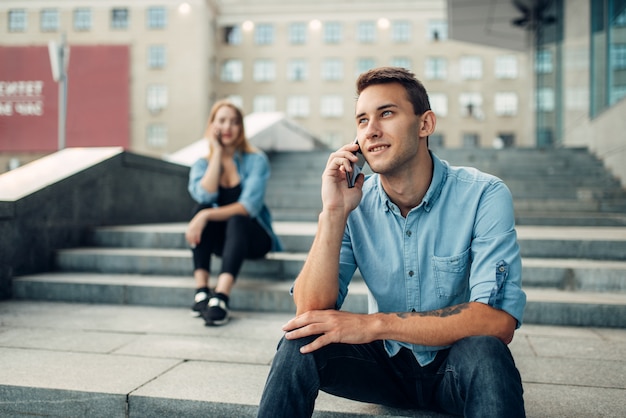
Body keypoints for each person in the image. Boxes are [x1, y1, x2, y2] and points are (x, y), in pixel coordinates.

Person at [257, 67, 526, 417]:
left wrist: (375, 324)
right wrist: (334, 212)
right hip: (385, 368)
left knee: (487, 353)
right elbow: (309, 312)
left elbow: (497, 322)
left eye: (386, 114)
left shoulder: (484, 195)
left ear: (425, 124)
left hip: (455, 367)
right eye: (362, 120)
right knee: (301, 341)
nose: (371, 130)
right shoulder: (355, 202)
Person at [185, 100, 282, 326]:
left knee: (234, 217)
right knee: (201, 208)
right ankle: (201, 291)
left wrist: (205, 216)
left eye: (234, 122)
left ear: (241, 128)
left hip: (254, 238)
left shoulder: (256, 160)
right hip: (223, 242)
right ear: (212, 126)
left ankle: (221, 296)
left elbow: (248, 206)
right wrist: (217, 153)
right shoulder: (201, 164)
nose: (228, 127)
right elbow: (204, 197)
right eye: (222, 120)